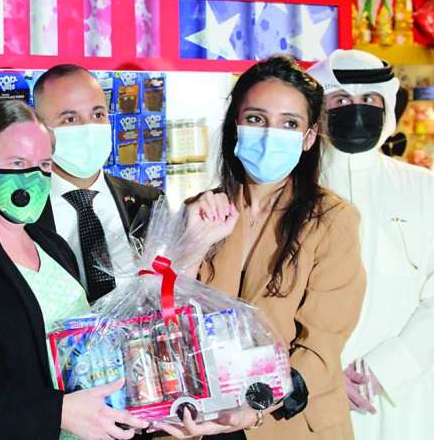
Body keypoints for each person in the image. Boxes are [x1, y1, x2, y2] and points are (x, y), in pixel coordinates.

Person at [165, 55, 366, 439]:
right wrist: (194, 243)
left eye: (289, 124)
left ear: (308, 138)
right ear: (235, 126)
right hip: (205, 419)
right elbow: (170, 318)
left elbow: (322, 343)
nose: (271, 134)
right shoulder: (202, 211)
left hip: (285, 421)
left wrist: (256, 404)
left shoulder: (332, 219)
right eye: (256, 119)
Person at [0, 100, 149, 440]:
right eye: (18, 163)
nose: (34, 178)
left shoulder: (50, 244)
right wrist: (57, 412)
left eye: (43, 164)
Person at [308, 49, 434, 440]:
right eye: (340, 100)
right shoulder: (291, 191)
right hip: (309, 393)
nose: (356, 110)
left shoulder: (425, 187)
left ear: (387, 107)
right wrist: (315, 374)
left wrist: (389, 367)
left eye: (369, 99)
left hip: (403, 393)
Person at [33, 64, 160, 302]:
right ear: (40, 129)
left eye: (98, 115)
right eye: (70, 119)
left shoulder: (150, 202)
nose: (88, 129)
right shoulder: (23, 214)